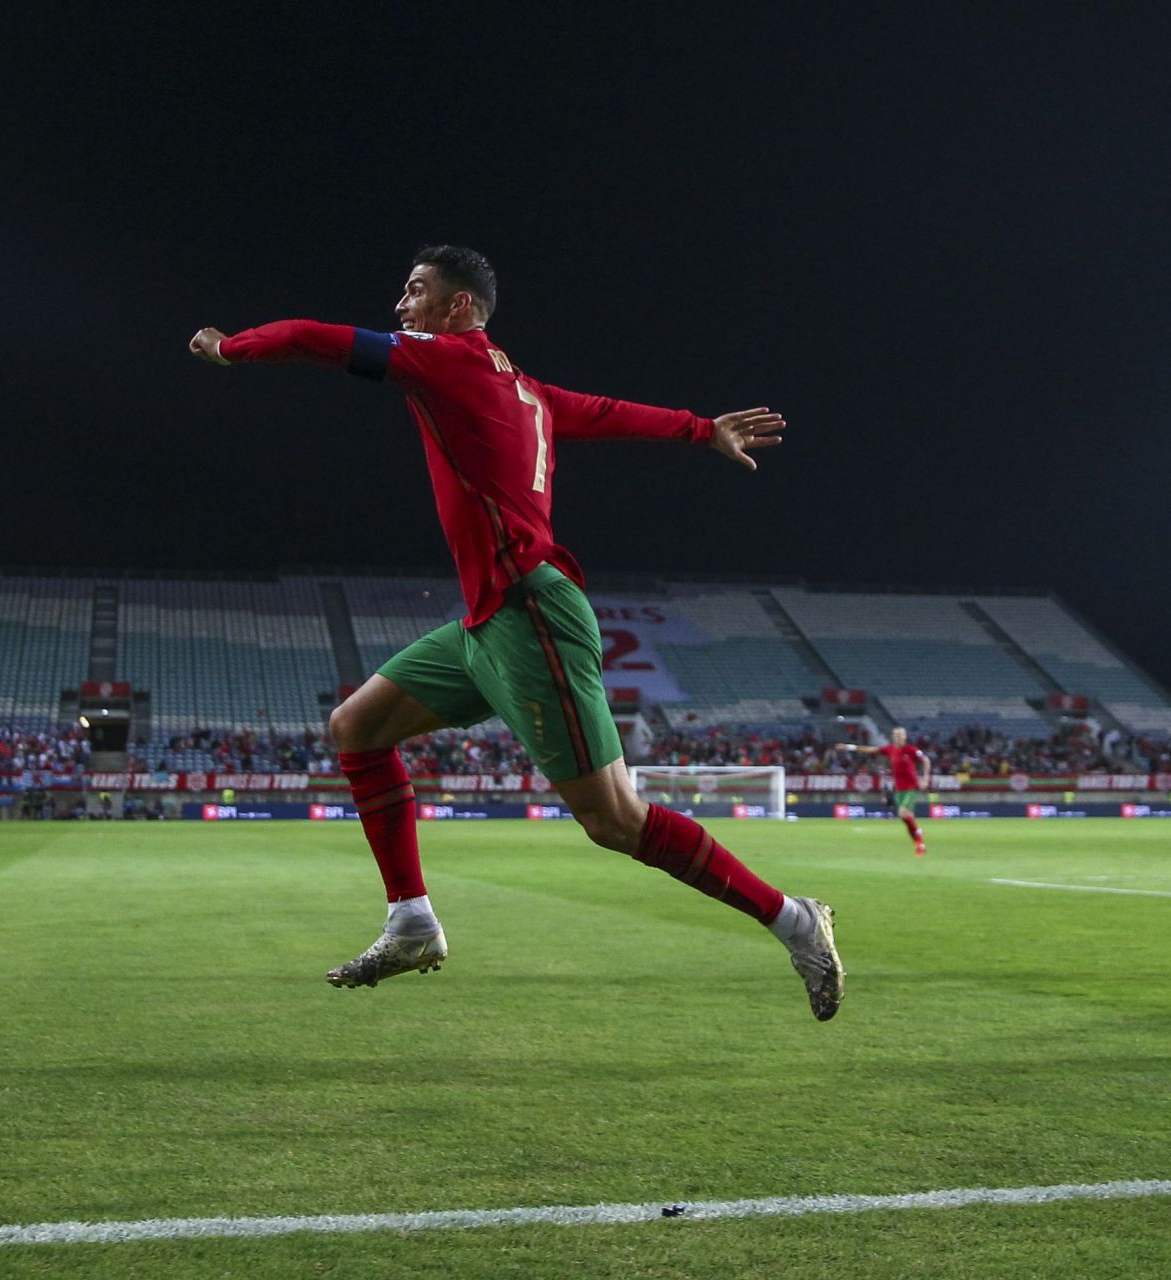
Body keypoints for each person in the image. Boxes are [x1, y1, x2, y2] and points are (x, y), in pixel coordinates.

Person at [188, 244, 843, 1019]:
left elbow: (310, 336)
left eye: (416, 291)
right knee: (357, 727)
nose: (401, 306)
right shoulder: (523, 389)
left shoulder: (443, 361)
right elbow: (602, 412)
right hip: (487, 619)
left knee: (614, 821)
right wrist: (700, 429)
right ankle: (411, 921)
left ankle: (793, 919)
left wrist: (230, 347)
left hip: (531, 613)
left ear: (457, 308)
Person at [837, 727, 931, 855]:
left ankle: (919, 839)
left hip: (910, 788)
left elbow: (926, 761)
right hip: (899, 790)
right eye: (895, 735)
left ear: (905, 736)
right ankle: (919, 843)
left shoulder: (912, 750)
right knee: (907, 819)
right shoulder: (889, 749)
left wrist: (925, 779)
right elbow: (870, 750)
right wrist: (849, 747)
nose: (897, 737)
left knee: (903, 813)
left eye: (900, 735)